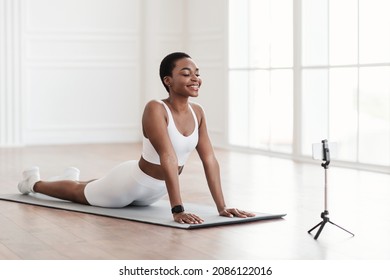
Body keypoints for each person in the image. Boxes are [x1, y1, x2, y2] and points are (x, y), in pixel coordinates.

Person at [17, 52, 255, 224]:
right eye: (186, 73)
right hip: (130, 184)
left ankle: (70, 177)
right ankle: (33, 183)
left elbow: (210, 159)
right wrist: (178, 209)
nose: (195, 78)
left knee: (90, 186)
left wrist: (222, 207)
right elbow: (168, 156)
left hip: (154, 193)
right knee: (78, 194)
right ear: (168, 81)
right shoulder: (155, 108)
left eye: (197, 73)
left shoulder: (198, 112)